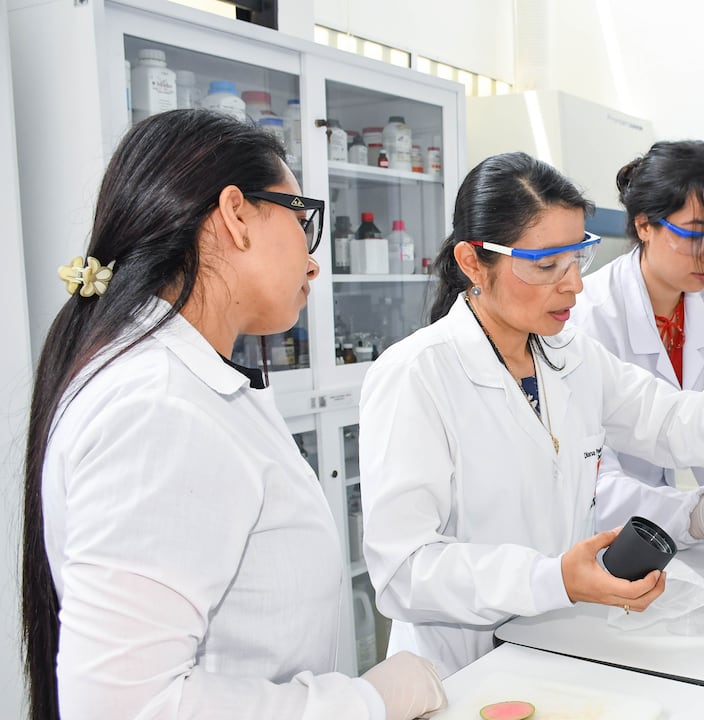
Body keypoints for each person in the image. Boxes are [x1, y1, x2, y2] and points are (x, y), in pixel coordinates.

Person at [21, 110, 444, 720]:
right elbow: (124, 706)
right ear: (236, 216)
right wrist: (366, 701)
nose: (313, 259)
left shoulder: (182, 380)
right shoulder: (157, 407)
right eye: (302, 221)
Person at [358, 152, 704, 678]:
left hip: (560, 643)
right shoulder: (415, 375)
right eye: (546, 266)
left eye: (577, 259)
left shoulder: (570, 355)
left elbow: (671, 422)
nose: (574, 286)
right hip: (458, 670)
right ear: (474, 262)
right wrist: (553, 578)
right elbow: (404, 569)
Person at [572, 140, 704, 547]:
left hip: (688, 534)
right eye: (695, 234)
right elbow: (588, 478)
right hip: (608, 535)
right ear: (645, 225)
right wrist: (691, 515)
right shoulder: (590, 314)